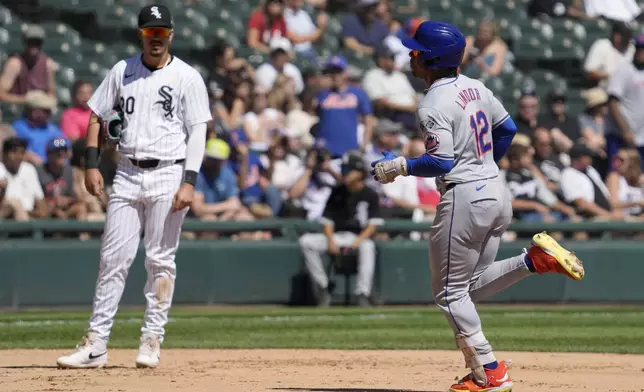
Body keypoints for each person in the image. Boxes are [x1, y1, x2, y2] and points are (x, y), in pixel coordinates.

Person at [370, 21, 585, 392]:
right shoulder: (476, 87)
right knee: (468, 288)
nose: (410, 55)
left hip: (465, 198)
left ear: (431, 59)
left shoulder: (432, 104)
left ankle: (489, 370)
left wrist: (399, 166)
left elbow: (441, 162)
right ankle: (534, 260)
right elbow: (508, 128)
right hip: (497, 192)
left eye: (416, 51)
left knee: (449, 295)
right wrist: (485, 165)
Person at [56, 5, 211, 369]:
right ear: (141, 34)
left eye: (161, 32)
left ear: (170, 34)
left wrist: (189, 180)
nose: (155, 38)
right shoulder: (122, 70)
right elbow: (96, 114)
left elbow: (199, 130)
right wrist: (91, 165)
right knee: (112, 260)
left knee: (160, 261)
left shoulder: (187, 76)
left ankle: (152, 339)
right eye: (149, 32)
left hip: (168, 172)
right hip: (126, 171)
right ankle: (96, 344)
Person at [299, 150, 381, 307]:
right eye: (343, 170)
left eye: (348, 170)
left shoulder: (370, 194)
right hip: (337, 236)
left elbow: (373, 225)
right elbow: (327, 222)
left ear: (359, 173)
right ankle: (322, 288)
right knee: (306, 242)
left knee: (368, 246)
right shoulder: (337, 191)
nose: (344, 173)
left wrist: (357, 241)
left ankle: (362, 293)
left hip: (358, 238)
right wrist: (330, 241)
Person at [606, 33, 644, 171]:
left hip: (641, 137)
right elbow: (612, 103)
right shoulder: (624, 70)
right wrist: (626, 131)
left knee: (638, 178)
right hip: (620, 137)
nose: (641, 52)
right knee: (616, 173)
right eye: (639, 48)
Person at [0, 24, 57, 105]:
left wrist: (43, 100)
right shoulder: (15, 64)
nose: (33, 46)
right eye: (30, 42)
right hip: (18, 110)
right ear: (25, 42)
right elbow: (1, 94)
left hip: (40, 109)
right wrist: (25, 100)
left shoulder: (48, 64)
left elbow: (51, 93)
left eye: (37, 42)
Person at [37, 137, 88, 221]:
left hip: (65, 210)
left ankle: (83, 234)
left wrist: (67, 200)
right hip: (46, 210)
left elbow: (78, 199)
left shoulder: (70, 171)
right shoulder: (39, 171)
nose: (61, 154)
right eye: (57, 151)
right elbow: (34, 199)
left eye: (64, 150)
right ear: (48, 154)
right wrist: (52, 201)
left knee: (81, 208)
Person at [0, 137, 48, 221]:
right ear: (4, 154)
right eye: (14, 152)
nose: (18, 156)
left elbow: (40, 200)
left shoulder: (29, 169)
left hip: (27, 216)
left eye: (22, 152)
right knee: (15, 203)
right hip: (5, 218)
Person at [12, 90, 63, 165]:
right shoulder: (18, 128)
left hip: (54, 168)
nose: (49, 113)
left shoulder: (52, 128)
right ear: (33, 111)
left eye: (48, 110)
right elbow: (17, 151)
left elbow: (62, 143)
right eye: (45, 110)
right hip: (31, 168)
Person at [584, 22, 634, 89]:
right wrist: (613, 76)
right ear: (615, 34)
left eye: (627, 35)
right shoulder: (602, 45)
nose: (619, 36)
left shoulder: (633, 48)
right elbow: (590, 73)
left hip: (628, 90)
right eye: (619, 34)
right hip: (603, 89)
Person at [606, 148, 644, 218]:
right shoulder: (614, 177)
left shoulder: (641, 178)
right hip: (622, 218)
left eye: (621, 160)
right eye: (616, 158)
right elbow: (613, 204)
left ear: (632, 162)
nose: (617, 162)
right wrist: (636, 203)